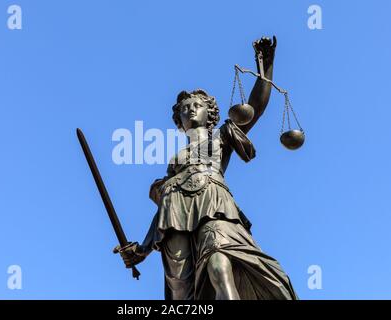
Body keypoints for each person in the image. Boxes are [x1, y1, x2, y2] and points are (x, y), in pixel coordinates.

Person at [114, 36, 297, 300]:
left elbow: (254, 108)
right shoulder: (175, 165)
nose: (190, 110)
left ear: (209, 112)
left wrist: (265, 68)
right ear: (179, 119)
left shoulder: (222, 136)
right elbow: (165, 210)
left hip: (215, 205)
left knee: (220, 265)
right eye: (185, 108)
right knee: (181, 290)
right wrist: (141, 250)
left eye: (196, 106)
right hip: (176, 215)